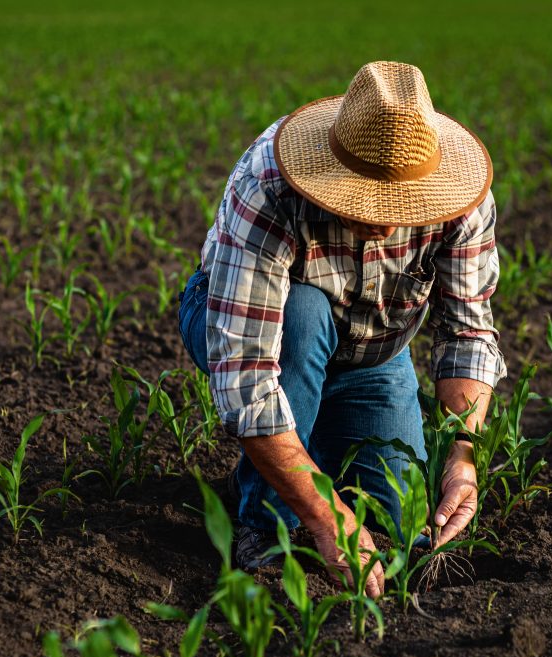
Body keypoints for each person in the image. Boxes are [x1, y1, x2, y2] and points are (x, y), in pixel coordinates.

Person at [177, 61, 506, 597]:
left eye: (401, 204)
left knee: (399, 521)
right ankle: (264, 521)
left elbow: (467, 336)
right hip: (254, 328)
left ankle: (280, 462)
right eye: (363, 196)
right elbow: (246, 378)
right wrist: (325, 518)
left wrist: (462, 456)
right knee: (304, 316)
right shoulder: (271, 187)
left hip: (373, 352)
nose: (383, 220)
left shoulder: (460, 199)